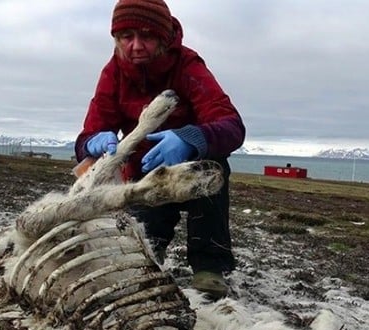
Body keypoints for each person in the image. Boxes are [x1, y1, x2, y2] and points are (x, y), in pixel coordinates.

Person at [75, 0, 245, 300]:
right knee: (144, 246)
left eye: (147, 36)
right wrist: (92, 142)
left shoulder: (188, 66)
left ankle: (208, 268)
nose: (136, 46)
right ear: (116, 39)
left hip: (191, 167)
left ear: (164, 38)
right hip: (143, 172)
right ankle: (151, 255)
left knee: (213, 167)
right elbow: (88, 134)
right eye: (127, 37)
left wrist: (189, 139)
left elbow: (232, 126)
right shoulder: (113, 73)